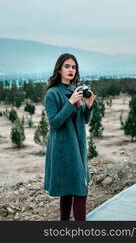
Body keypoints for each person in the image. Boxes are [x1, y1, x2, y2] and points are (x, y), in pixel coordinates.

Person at [43, 53, 96, 221]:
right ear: (59, 69)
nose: (71, 70)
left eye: (74, 67)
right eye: (67, 66)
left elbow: (84, 120)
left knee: (69, 191)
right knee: (80, 189)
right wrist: (70, 102)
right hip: (64, 149)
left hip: (78, 147)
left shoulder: (75, 91)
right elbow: (54, 123)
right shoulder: (52, 94)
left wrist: (89, 106)